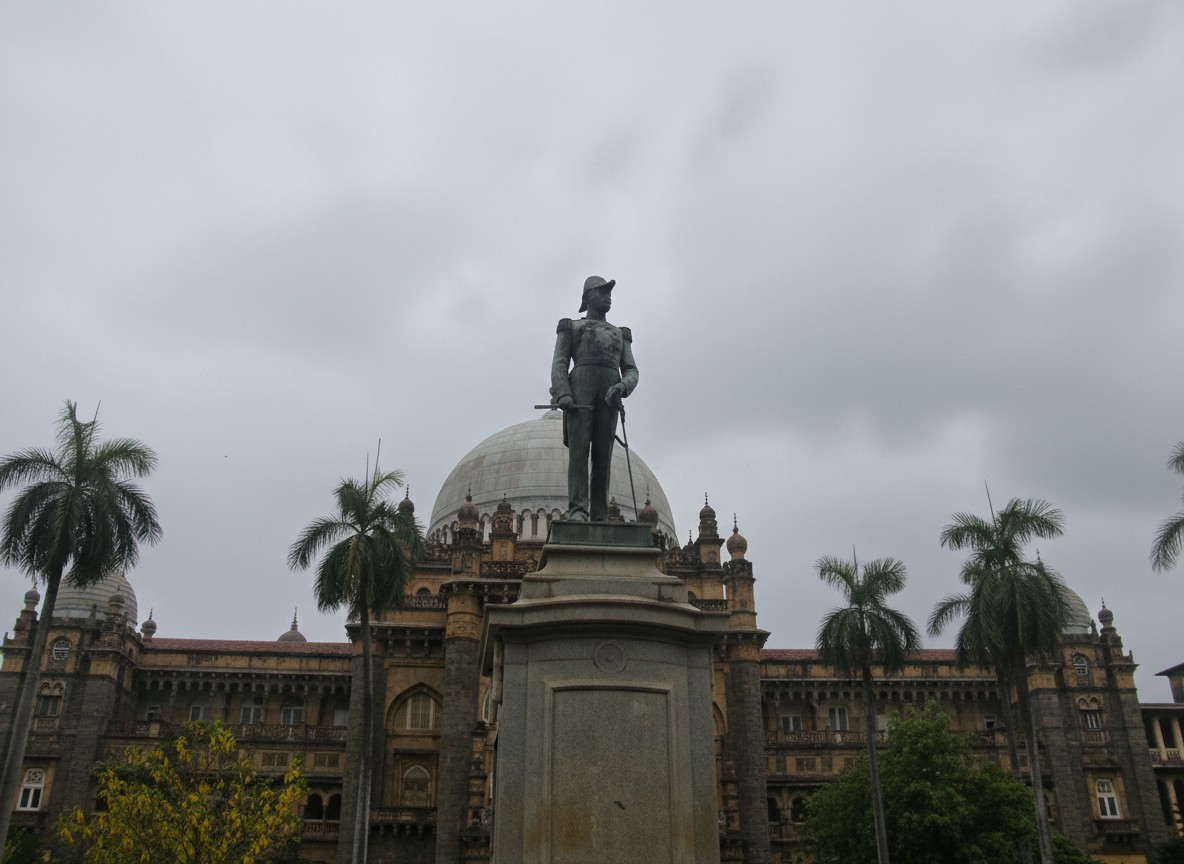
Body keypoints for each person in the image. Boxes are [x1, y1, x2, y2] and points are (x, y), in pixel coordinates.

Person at [551, 275, 639, 522]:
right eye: (602, 292)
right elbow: (559, 363)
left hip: (610, 395)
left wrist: (622, 386)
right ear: (588, 297)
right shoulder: (572, 327)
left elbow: (631, 370)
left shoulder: (620, 334)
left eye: (609, 292)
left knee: (603, 454)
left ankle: (600, 514)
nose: (608, 296)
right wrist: (564, 392)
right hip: (581, 391)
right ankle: (578, 509)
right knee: (579, 452)